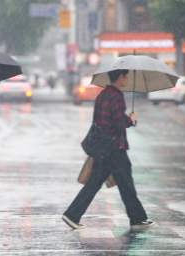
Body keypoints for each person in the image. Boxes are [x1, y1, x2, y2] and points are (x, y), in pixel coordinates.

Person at [62, 69, 155, 230]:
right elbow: (120, 123)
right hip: (115, 147)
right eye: (126, 77)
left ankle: (72, 215)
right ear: (120, 77)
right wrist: (131, 119)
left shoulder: (102, 95)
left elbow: (99, 121)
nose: (127, 80)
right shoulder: (117, 96)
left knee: (94, 183)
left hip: (101, 147)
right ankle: (137, 219)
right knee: (126, 184)